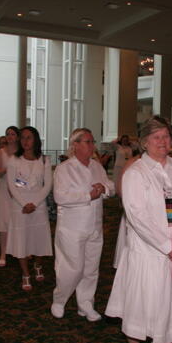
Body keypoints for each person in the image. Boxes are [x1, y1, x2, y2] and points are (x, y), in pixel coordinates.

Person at [106, 116, 172, 343]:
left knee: (167, 303)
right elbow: (137, 217)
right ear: (144, 142)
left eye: (166, 136)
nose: (162, 142)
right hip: (147, 250)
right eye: (156, 137)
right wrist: (167, 246)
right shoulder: (137, 172)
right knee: (140, 303)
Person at [51, 128, 114, 320]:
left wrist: (103, 188)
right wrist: (88, 195)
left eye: (92, 141)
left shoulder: (96, 166)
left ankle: (85, 304)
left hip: (94, 225)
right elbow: (60, 197)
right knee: (72, 268)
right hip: (72, 228)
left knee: (91, 268)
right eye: (87, 141)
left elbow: (111, 186)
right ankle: (59, 300)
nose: (92, 145)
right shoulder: (65, 169)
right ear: (75, 145)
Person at [6, 126, 53, 290]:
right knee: (22, 239)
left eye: (29, 138)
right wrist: (24, 204)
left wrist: (35, 203)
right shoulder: (13, 160)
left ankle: (38, 264)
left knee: (39, 238)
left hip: (38, 205)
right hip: (19, 205)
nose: (25, 141)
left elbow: (47, 185)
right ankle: (26, 274)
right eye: (23, 138)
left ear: (36, 140)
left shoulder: (45, 160)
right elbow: (12, 185)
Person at [0, 126, 19, 266]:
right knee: (4, 221)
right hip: (3, 188)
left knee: (19, 221)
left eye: (13, 134)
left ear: (17, 136)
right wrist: (6, 170)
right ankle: (3, 253)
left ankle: (21, 250)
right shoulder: (0, 153)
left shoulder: (22, 153)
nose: (10, 136)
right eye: (8, 134)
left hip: (19, 189)